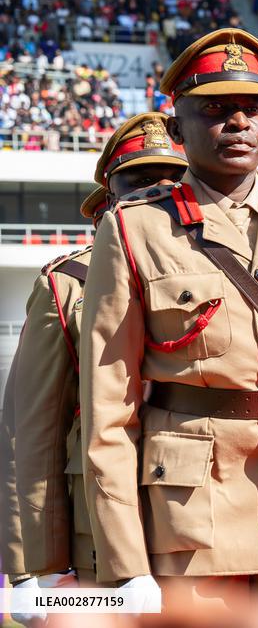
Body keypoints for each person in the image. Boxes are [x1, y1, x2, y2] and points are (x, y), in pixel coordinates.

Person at [80, 29, 258, 627]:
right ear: (179, 125)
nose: (237, 123)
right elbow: (110, 408)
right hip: (194, 517)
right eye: (214, 109)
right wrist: (125, 560)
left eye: (252, 108)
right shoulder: (137, 229)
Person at [0, 113, 187, 598]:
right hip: (99, 536)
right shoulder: (66, 284)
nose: (158, 191)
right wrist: (34, 568)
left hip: (205, 519)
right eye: (140, 181)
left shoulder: (232, 268)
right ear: (108, 199)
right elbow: (32, 431)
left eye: (173, 180)